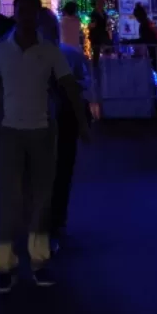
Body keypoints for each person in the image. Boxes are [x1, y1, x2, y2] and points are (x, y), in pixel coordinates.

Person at [0, 0, 87, 292]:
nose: (25, 16)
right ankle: (5, 263)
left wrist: (82, 122)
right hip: (10, 130)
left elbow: (69, 87)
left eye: (31, 11)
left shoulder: (50, 51)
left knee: (42, 197)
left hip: (42, 131)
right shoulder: (2, 49)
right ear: (14, 14)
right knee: (10, 198)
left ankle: (39, 261)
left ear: (38, 15)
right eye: (21, 11)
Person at [51, 39, 91, 240]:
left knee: (61, 170)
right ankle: (55, 220)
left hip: (61, 118)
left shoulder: (68, 54)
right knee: (60, 171)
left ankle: (54, 220)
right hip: (57, 119)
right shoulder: (71, 54)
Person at [133, 3, 157, 105]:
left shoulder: (145, 25)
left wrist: (129, 42)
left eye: (137, 17)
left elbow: (143, 40)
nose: (137, 19)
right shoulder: (148, 23)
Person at [88, 0, 111, 65]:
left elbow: (105, 23)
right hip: (96, 36)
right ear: (97, 2)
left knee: (107, 52)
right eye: (100, 1)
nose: (102, 3)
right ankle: (96, 71)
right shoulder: (94, 13)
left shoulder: (104, 12)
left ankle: (103, 70)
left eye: (103, 1)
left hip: (103, 35)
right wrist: (91, 25)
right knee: (96, 55)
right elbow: (92, 25)